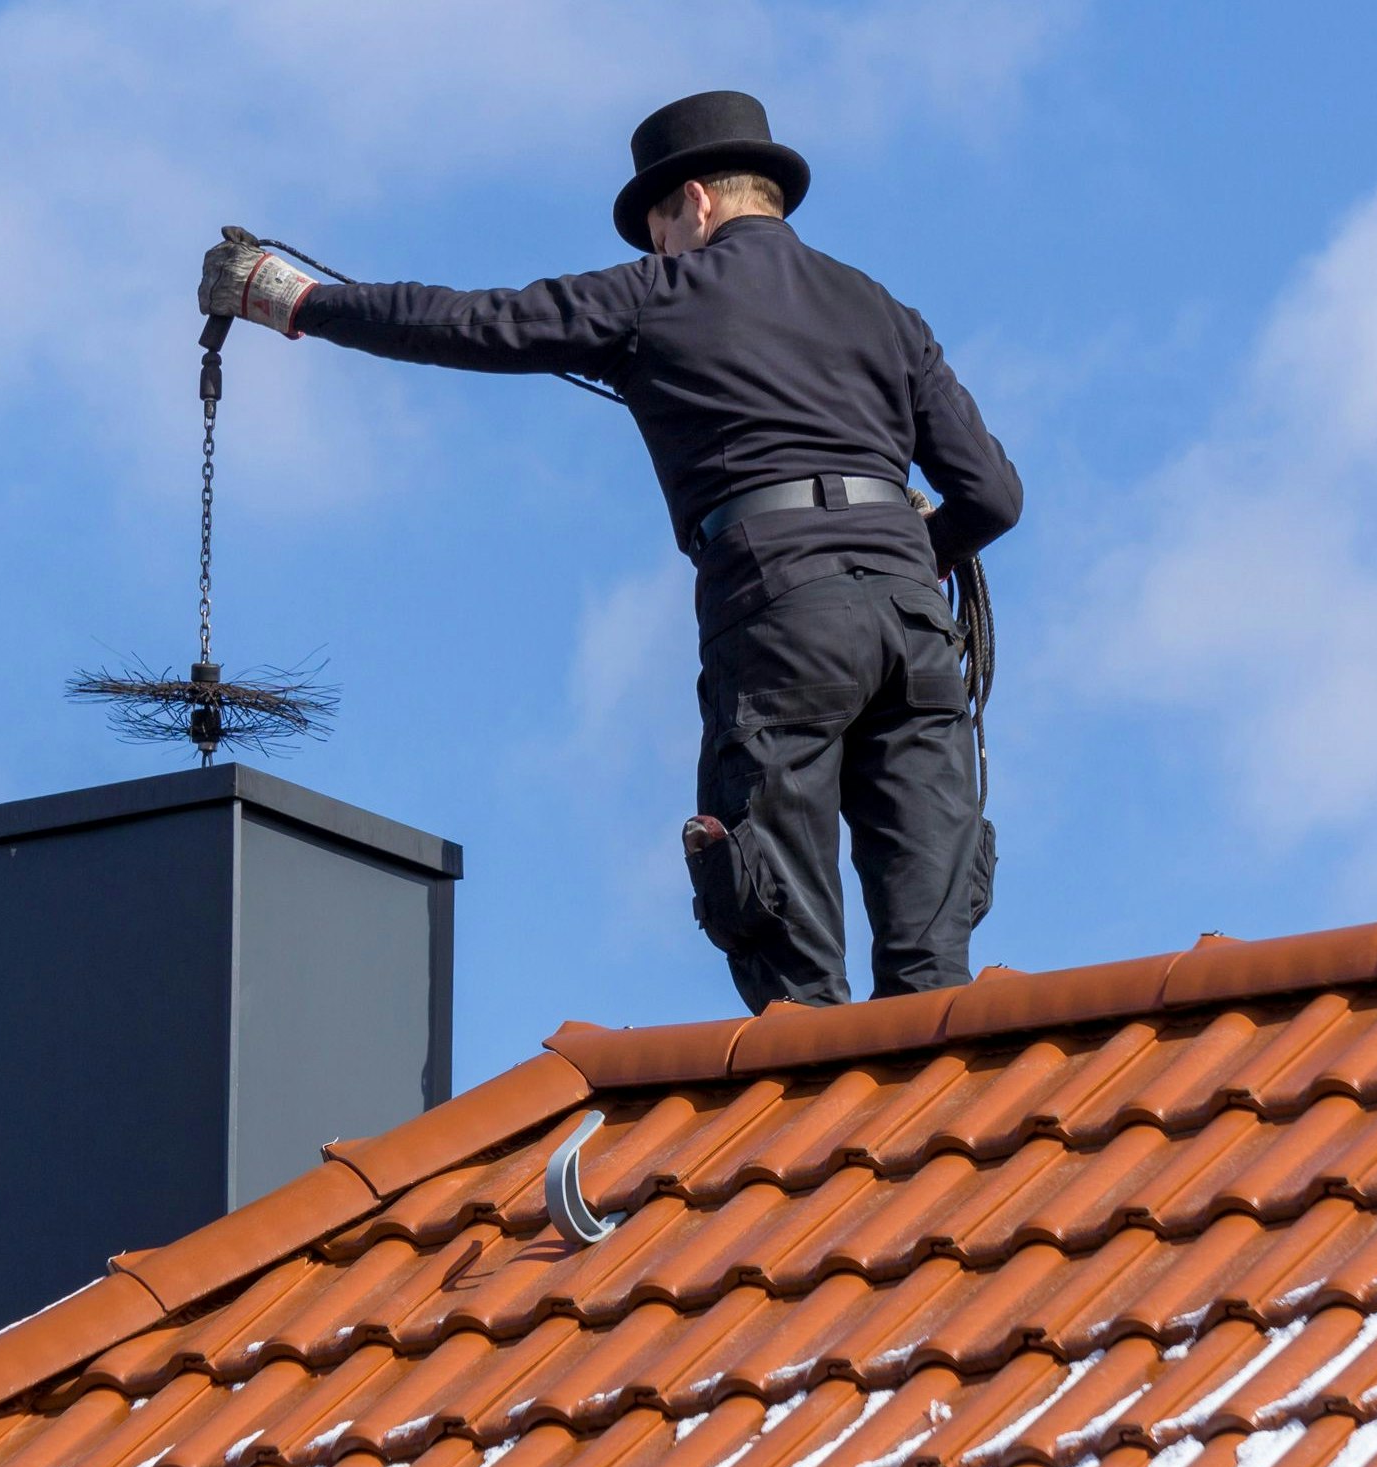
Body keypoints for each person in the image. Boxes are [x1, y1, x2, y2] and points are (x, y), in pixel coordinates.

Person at [200, 90, 1022, 1011]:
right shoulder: (888, 314)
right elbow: (994, 494)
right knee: (933, 971)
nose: (657, 249)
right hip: (915, 632)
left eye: (658, 227)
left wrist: (295, 300)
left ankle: (823, 1138)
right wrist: (923, 549)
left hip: (787, 616)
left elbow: (474, 323)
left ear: (696, 204)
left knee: (791, 960)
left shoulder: (659, 295)